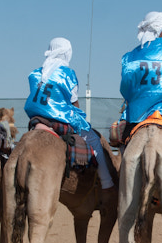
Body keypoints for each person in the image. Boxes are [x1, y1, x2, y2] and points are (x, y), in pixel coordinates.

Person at [25, 37, 114, 189]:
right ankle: (107, 183)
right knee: (94, 141)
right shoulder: (67, 73)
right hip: (58, 117)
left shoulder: (34, 73)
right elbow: (74, 103)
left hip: (36, 118)